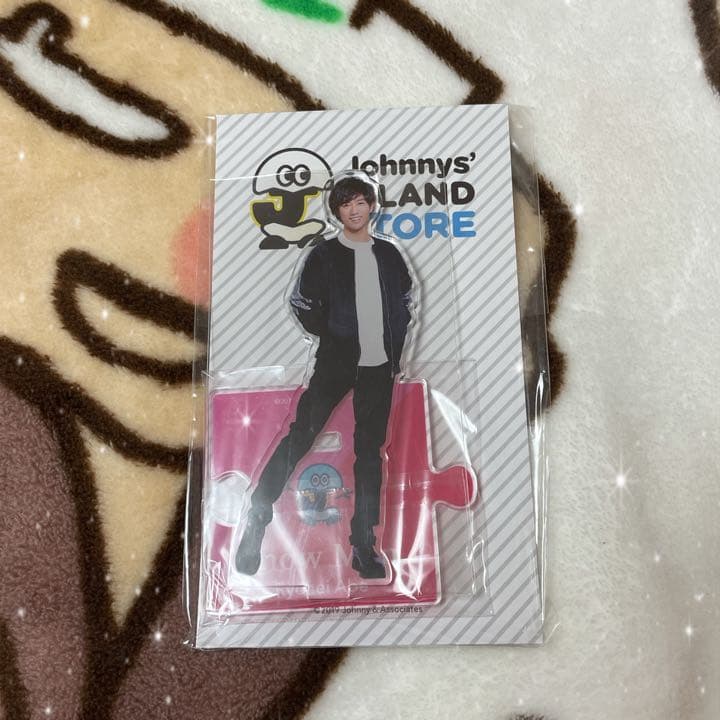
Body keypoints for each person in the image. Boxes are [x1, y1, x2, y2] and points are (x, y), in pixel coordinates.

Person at [235, 173, 414, 579]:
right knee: (302, 434)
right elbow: (301, 303)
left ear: (371, 205)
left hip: (379, 365)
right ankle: (258, 514)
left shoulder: (388, 254)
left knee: (369, 451)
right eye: (346, 204)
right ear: (336, 212)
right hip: (336, 361)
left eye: (360, 202)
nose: (354, 210)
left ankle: (363, 544)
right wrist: (333, 334)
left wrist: (394, 352)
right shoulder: (324, 255)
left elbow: (405, 302)